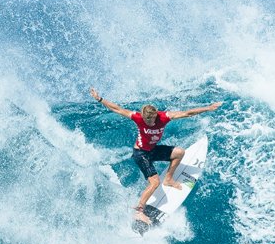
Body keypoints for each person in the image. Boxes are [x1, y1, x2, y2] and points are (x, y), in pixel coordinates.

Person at [89, 87, 222, 224]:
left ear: (155, 115)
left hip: (152, 150)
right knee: (155, 183)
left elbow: (187, 113)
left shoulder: (164, 117)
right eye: (147, 121)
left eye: (152, 120)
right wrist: (99, 99)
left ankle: (169, 179)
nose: (150, 123)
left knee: (179, 153)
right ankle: (139, 211)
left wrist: (208, 108)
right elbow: (117, 109)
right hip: (141, 154)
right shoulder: (138, 118)